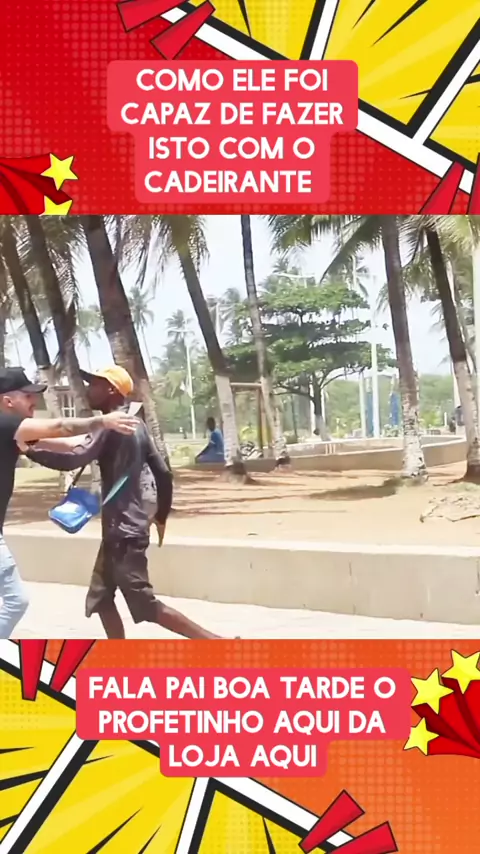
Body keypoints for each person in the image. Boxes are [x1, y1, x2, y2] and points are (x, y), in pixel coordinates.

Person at [27, 365, 223, 640]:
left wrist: (28, 450)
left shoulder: (110, 425)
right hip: (124, 528)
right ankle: (120, 653)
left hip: (123, 532)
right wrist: (161, 516)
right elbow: (163, 473)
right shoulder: (136, 424)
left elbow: (74, 458)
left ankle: (217, 644)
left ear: (111, 389)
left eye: (95, 384)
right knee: (100, 598)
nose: (88, 389)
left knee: (144, 604)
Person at [0, 366, 138, 639]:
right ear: (7, 401)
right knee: (17, 600)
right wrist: (103, 422)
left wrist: (104, 439)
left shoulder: (13, 431)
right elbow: (59, 427)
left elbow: (68, 443)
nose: (34, 401)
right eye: (27, 396)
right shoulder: (4, 424)